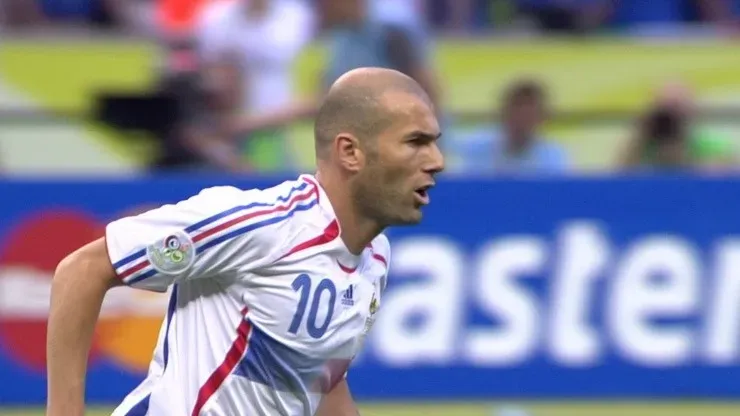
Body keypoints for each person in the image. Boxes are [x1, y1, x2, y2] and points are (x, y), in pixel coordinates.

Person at [46, 67, 444, 416]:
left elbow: (321, 380)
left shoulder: (375, 257)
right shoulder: (261, 225)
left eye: (434, 142)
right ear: (350, 152)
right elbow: (81, 270)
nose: (437, 160)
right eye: (415, 142)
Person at [447, 78, 569, 174]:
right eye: (518, 109)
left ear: (542, 118)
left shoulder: (552, 157)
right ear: (504, 112)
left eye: (530, 113)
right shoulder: (475, 147)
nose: (522, 118)